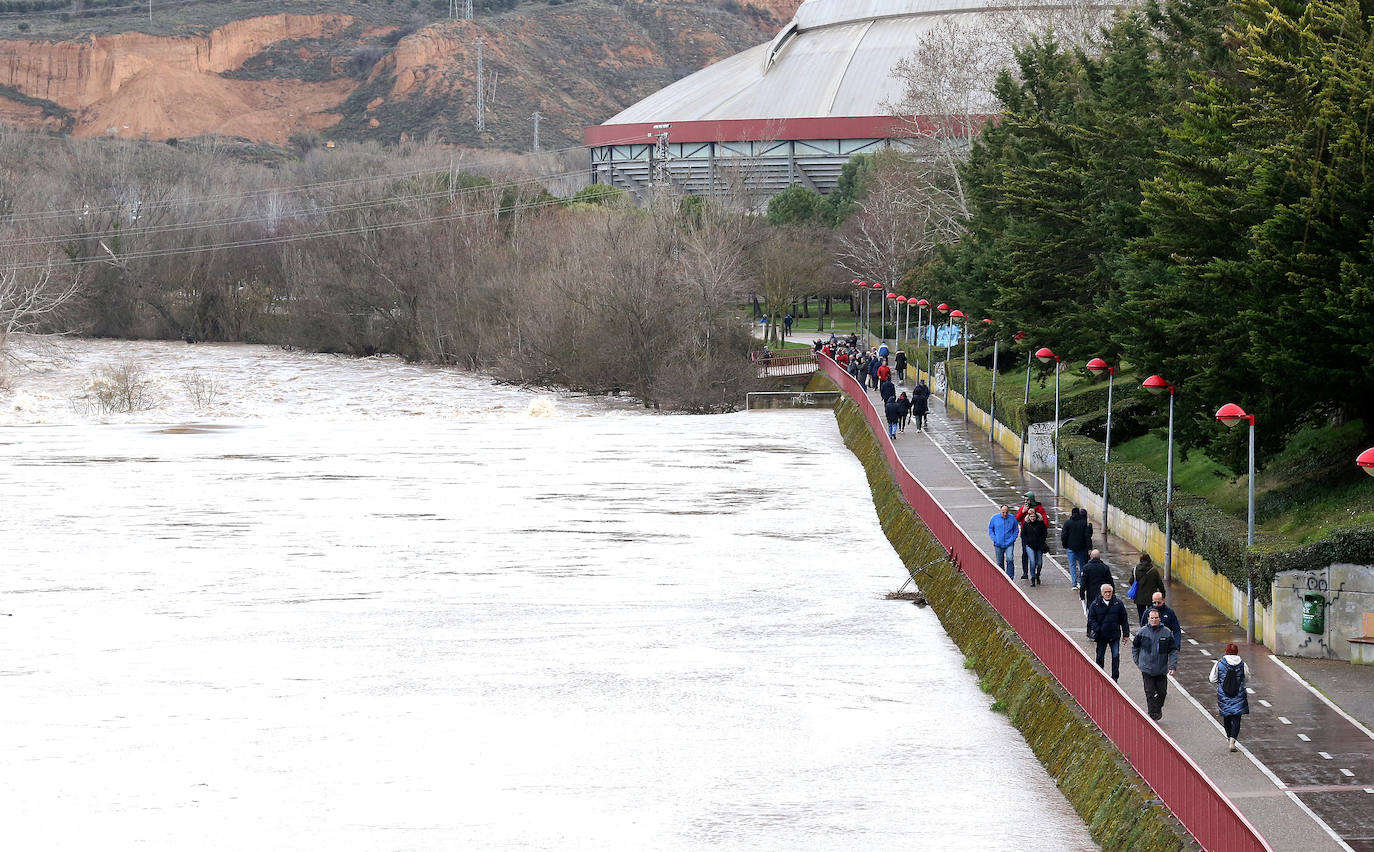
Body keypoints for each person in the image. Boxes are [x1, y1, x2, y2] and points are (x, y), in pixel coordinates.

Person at [1132, 607, 1179, 721]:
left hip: (1161, 669)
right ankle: (1153, 715)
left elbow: (1173, 650)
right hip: (1146, 669)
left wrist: (1172, 666)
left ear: (1160, 619)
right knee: (1149, 692)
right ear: (1148, 619)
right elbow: (1135, 647)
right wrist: (1137, 661)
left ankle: (1157, 709)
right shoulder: (1142, 632)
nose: (1154, 620)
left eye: (1156, 618)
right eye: (1151, 618)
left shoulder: (1166, 633)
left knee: (1162, 693)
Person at [1208, 643, 1249, 752]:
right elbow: (1247, 677)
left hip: (1224, 695)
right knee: (1237, 718)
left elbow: (1212, 679)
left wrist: (1221, 683)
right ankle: (1233, 741)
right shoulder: (1242, 664)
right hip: (1239, 694)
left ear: (1226, 651)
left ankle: (1228, 736)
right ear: (1237, 652)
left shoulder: (1220, 663)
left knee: (1226, 717)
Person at [1086, 583, 1131, 680]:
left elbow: (1124, 620)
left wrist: (1126, 634)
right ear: (1101, 593)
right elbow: (1091, 620)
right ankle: (1099, 675)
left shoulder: (1118, 603)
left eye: (1109, 592)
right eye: (1105, 592)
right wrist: (1098, 629)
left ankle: (1115, 677)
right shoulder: (1095, 604)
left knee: (1115, 655)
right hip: (1101, 636)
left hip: (1114, 635)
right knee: (1100, 655)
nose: (1107, 594)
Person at [1016, 492, 1050, 580]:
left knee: (1036, 559)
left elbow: (1045, 522)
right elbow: (1017, 519)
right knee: (1025, 554)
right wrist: (1023, 512)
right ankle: (1025, 573)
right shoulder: (1023, 508)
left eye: (1027, 500)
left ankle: (1036, 574)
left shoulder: (1039, 509)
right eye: (1025, 500)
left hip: (1037, 537)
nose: (1026, 502)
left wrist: (1041, 532)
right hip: (1027, 536)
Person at [1060, 507, 1093, 590]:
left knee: (1072, 565)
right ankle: (1081, 582)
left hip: (1070, 547)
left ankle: (1074, 583)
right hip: (1081, 548)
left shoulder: (1067, 523)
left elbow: (1064, 535)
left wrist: (1065, 545)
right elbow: (1087, 537)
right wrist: (1089, 548)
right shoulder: (1083, 523)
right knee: (1082, 565)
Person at [988, 505, 1019, 579]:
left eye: (1006, 512)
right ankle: (1002, 577)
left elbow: (1016, 529)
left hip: (1009, 543)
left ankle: (1010, 577)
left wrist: (1013, 539)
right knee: (1000, 562)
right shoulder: (995, 518)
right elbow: (990, 529)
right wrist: (995, 539)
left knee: (1010, 559)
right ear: (1000, 511)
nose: (1005, 514)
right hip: (998, 544)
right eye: (1003, 512)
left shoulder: (1012, 518)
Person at [1132, 553, 1165, 623]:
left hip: (1139, 597)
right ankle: (1152, 626)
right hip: (1152, 598)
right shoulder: (1154, 571)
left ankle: (1143, 628)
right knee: (1152, 614)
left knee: (1141, 615)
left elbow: (1131, 581)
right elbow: (1160, 585)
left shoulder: (1135, 570)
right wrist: (1163, 596)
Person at [1022, 511, 1048, 585]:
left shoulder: (1041, 524)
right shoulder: (1026, 524)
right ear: (1029, 517)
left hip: (1039, 546)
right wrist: (1027, 542)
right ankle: (1033, 578)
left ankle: (1038, 574)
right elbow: (1023, 535)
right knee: (1032, 561)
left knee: (1039, 563)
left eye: (1033, 516)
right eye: (1031, 517)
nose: (1032, 518)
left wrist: (1042, 541)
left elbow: (1045, 533)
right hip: (1030, 546)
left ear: (1036, 517)